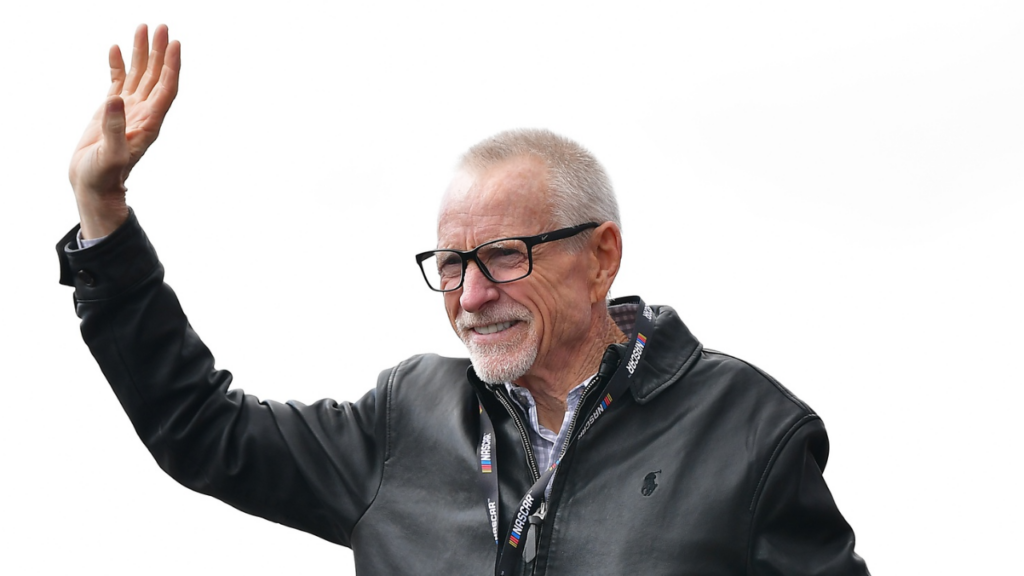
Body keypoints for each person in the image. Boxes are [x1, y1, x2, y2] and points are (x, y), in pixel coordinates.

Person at [58, 25, 870, 575]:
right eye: (450, 264)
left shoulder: (751, 433)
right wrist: (105, 213)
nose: (472, 295)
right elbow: (200, 431)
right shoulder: (404, 420)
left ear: (601, 258)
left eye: (504, 256)